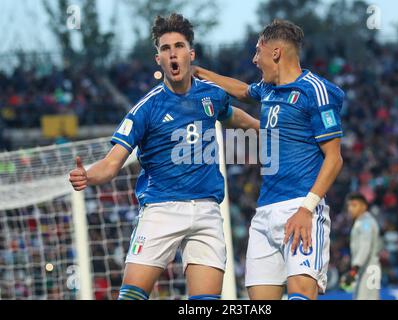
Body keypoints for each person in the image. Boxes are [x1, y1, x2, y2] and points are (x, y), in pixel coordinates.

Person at [69, 13, 259, 300]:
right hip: (161, 209)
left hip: (208, 210)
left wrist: (268, 128)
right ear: (158, 58)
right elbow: (111, 163)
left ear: (190, 54)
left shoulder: (212, 95)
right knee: (131, 296)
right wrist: (89, 175)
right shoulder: (146, 109)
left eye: (179, 46)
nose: (173, 53)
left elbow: (234, 117)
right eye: (165, 48)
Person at [193, 19, 344, 300]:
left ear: (275, 52)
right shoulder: (267, 89)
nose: (254, 59)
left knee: (301, 295)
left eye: (257, 51)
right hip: (264, 214)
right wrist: (200, 73)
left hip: (300, 208)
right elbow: (240, 90)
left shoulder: (316, 90)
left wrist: (306, 209)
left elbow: (334, 159)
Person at [341, 193, 382, 300]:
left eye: (354, 205)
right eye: (349, 205)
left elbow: (365, 246)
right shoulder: (361, 222)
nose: (350, 209)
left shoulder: (366, 223)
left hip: (369, 270)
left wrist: (354, 269)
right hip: (363, 269)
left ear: (364, 206)